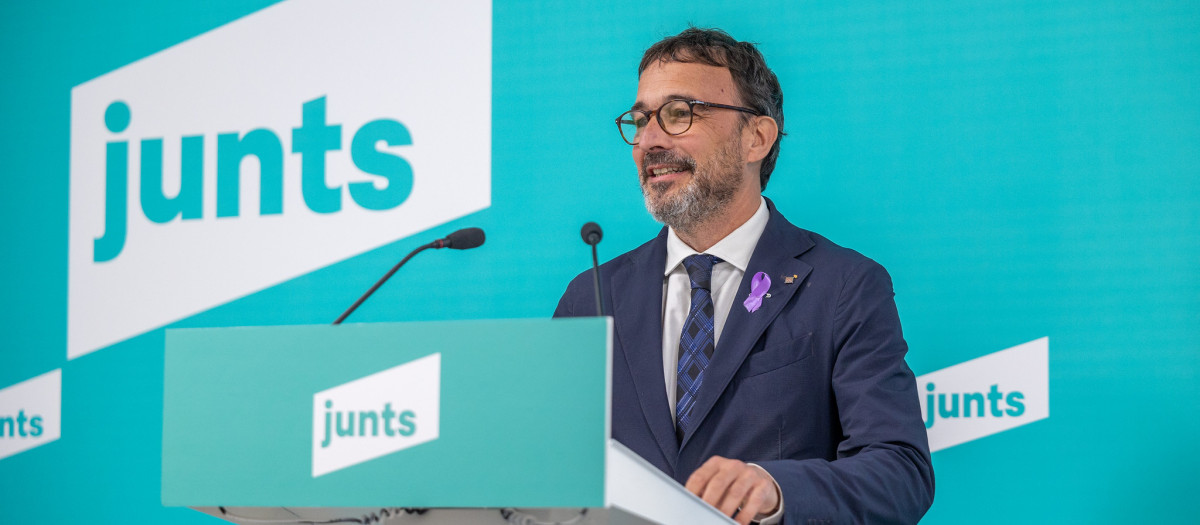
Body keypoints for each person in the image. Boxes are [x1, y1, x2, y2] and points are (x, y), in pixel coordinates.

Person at [554, 28, 934, 524]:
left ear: (756, 137)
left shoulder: (843, 285)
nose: (648, 141)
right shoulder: (593, 297)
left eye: (678, 113)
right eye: (641, 119)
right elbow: (549, 468)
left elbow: (899, 473)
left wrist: (776, 490)